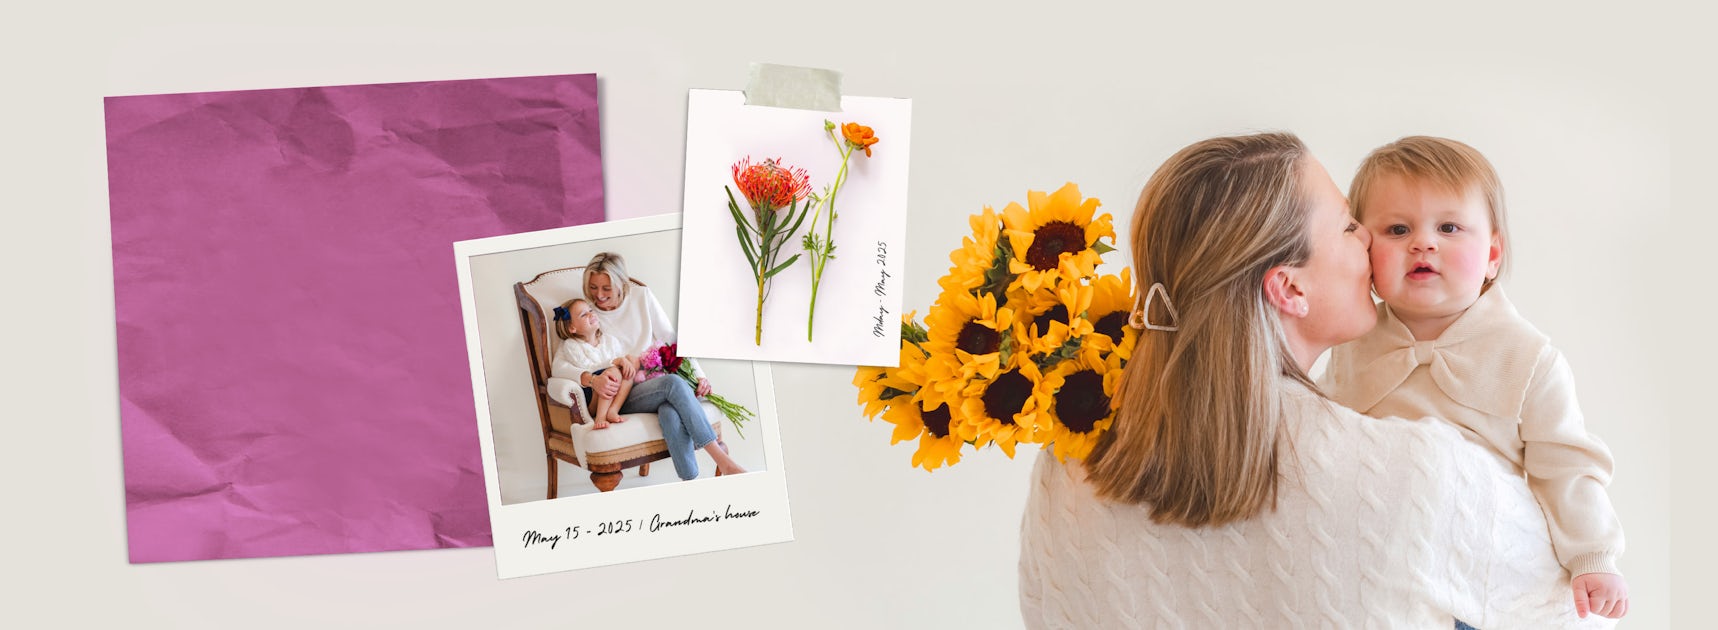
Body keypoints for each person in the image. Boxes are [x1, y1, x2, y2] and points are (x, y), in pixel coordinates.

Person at [1017, 132, 1609, 628]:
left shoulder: (1068, 463)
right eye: (1355, 228)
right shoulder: (1419, 472)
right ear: (1290, 289)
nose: (1376, 247)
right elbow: (1559, 607)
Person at [1322, 136, 1627, 620]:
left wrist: (1593, 557)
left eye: (1448, 227)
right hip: (1381, 568)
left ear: (1492, 254)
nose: (1423, 242)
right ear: (1364, 253)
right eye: (1398, 229)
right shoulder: (1350, 341)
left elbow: (1567, 465)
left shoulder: (1528, 356)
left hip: (1477, 570)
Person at [580, 252, 746, 479]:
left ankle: (691, 483)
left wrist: (699, 375)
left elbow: (671, 338)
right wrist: (609, 369)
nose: (598, 296)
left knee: (669, 413)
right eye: (593, 287)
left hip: (653, 384)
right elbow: (583, 355)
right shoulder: (587, 315)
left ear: (621, 284)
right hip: (620, 394)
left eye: (606, 289)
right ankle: (723, 461)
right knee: (673, 384)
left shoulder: (641, 296)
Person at [549, 298, 636, 430]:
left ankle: (613, 410)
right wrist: (613, 363)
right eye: (584, 315)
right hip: (593, 392)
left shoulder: (609, 340)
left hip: (613, 387)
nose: (591, 314)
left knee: (630, 363)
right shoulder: (572, 345)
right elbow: (587, 367)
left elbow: (621, 361)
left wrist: (625, 362)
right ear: (572, 328)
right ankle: (600, 417)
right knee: (612, 372)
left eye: (590, 310)